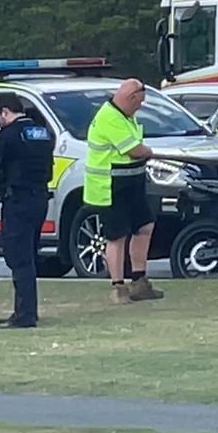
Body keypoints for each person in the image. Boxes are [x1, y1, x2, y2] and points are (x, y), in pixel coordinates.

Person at [0, 94, 55, 329]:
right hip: (39, 199)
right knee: (28, 255)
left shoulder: (6, 135)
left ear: (4, 112)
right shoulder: (41, 132)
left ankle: (25, 314)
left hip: (17, 201)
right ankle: (26, 309)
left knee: (18, 258)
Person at [84, 79, 164, 305]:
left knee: (144, 226)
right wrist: (149, 151)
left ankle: (139, 281)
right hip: (110, 186)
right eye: (139, 102)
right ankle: (118, 287)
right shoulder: (110, 118)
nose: (141, 106)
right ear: (131, 98)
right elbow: (134, 150)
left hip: (131, 183)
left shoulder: (126, 115)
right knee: (117, 235)